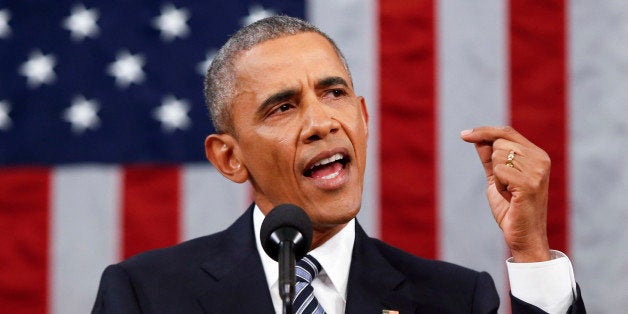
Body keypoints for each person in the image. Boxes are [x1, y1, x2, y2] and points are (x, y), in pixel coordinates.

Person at [92, 16, 585, 313]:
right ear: (230, 157)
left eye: (334, 93)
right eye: (283, 107)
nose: (321, 122)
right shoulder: (145, 295)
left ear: (363, 118)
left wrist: (531, 252)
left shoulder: (454, 299)